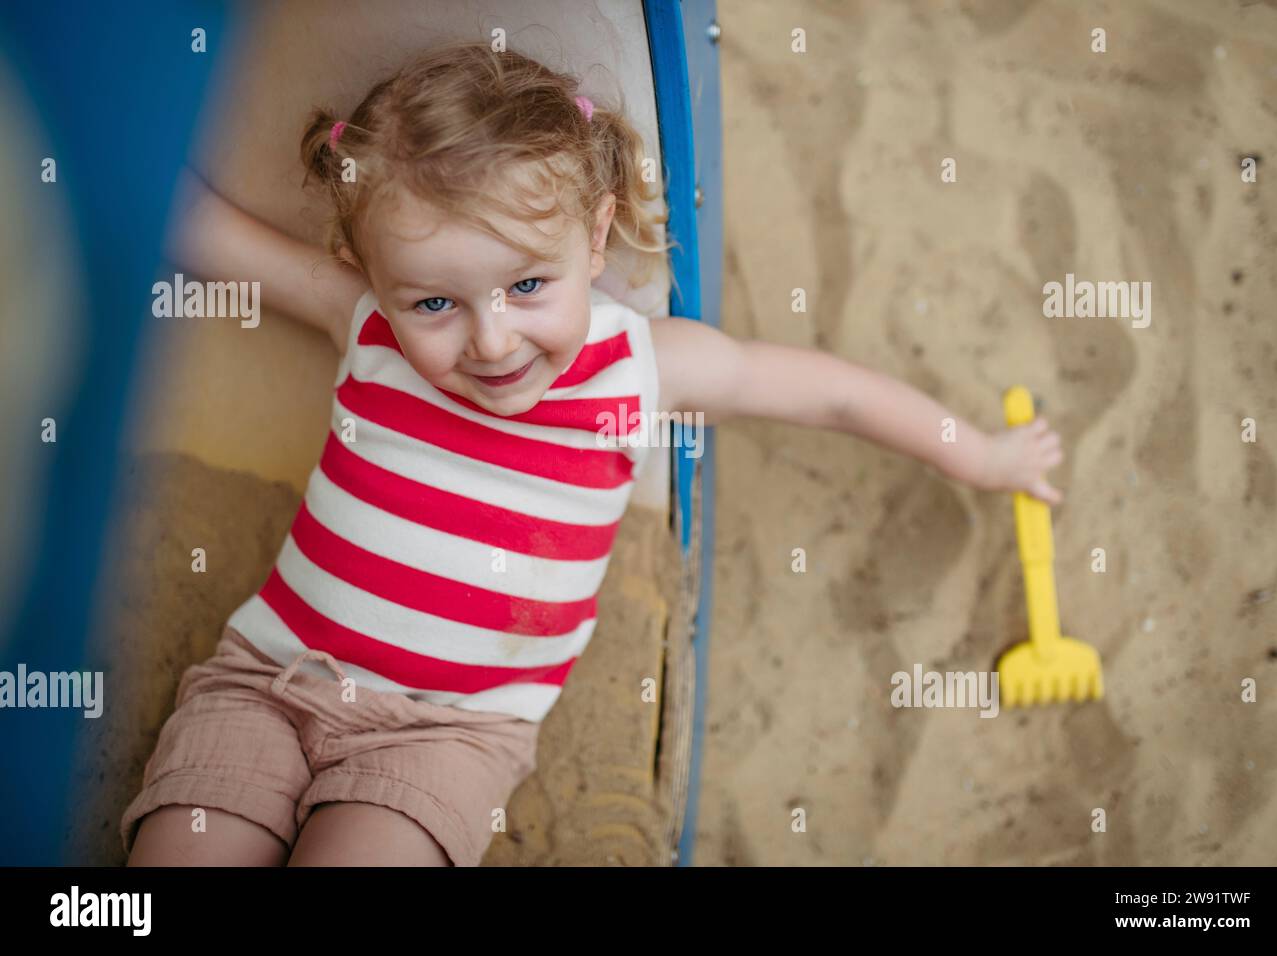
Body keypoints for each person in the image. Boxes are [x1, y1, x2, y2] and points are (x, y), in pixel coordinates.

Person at [122, 40, 1062, 867]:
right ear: (375, 276)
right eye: (435, 304)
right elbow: (205, 231)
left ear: (596, 232)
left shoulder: (640, 369)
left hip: (446, 734)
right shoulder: (365, 323)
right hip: (266, 679)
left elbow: (830, 391)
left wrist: (978, 455)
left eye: (528, 285)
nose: (491, 343)